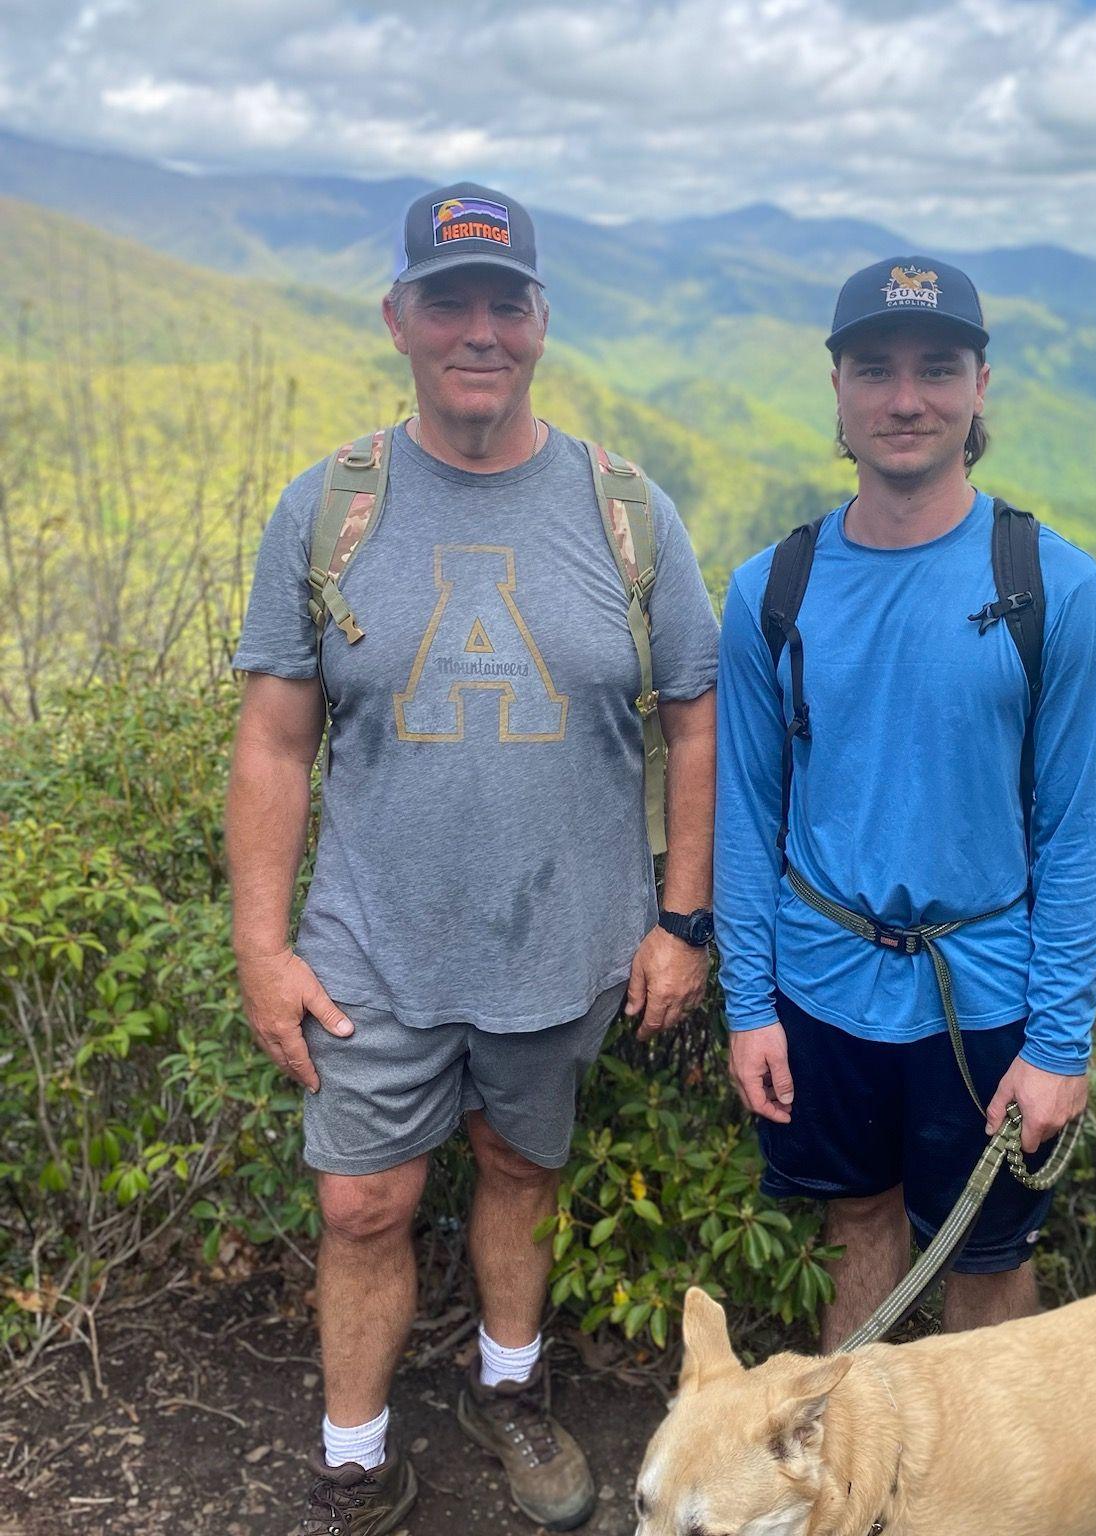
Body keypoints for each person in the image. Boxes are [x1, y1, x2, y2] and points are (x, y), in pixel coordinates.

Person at [226, 182, 719, 1534]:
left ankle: (509, 1390)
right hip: (371, 942)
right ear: (399, 319)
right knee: (362, 1204)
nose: (479, 331)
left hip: (567, 936)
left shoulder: (627, 512)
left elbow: (695, 717)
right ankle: (354, 1460)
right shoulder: (329, 508)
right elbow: (274, 739)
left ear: (542, 322)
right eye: (449, 302)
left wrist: (682, 920)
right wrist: (262, 949)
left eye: (507, 302)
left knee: (520, 1166)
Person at [715, 256, 1096, 1348]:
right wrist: (749, 1005)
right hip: (820, 984)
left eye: (937, 368)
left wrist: (1060, 1045)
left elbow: (1077, 834)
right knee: (856, 1222)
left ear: (980, 386)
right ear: (837, 391)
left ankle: (984, 1462)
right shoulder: (771, 591)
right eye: (875, 370)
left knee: (989, 1259)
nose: (906, 399)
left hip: (987, 998)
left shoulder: (1055, 588)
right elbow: (746, 815)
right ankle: (858, 1450)